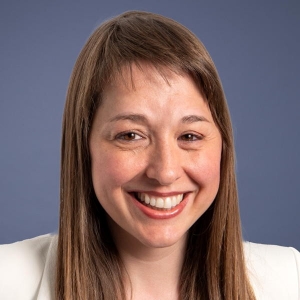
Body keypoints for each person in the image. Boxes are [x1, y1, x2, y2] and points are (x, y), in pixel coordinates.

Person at [0, 10, 299, 300]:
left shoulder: (290, 279)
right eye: (131, 136)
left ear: (223, 146)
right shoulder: (6, 280)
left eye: (190, 136)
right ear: (84, 147)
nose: (165, 171)